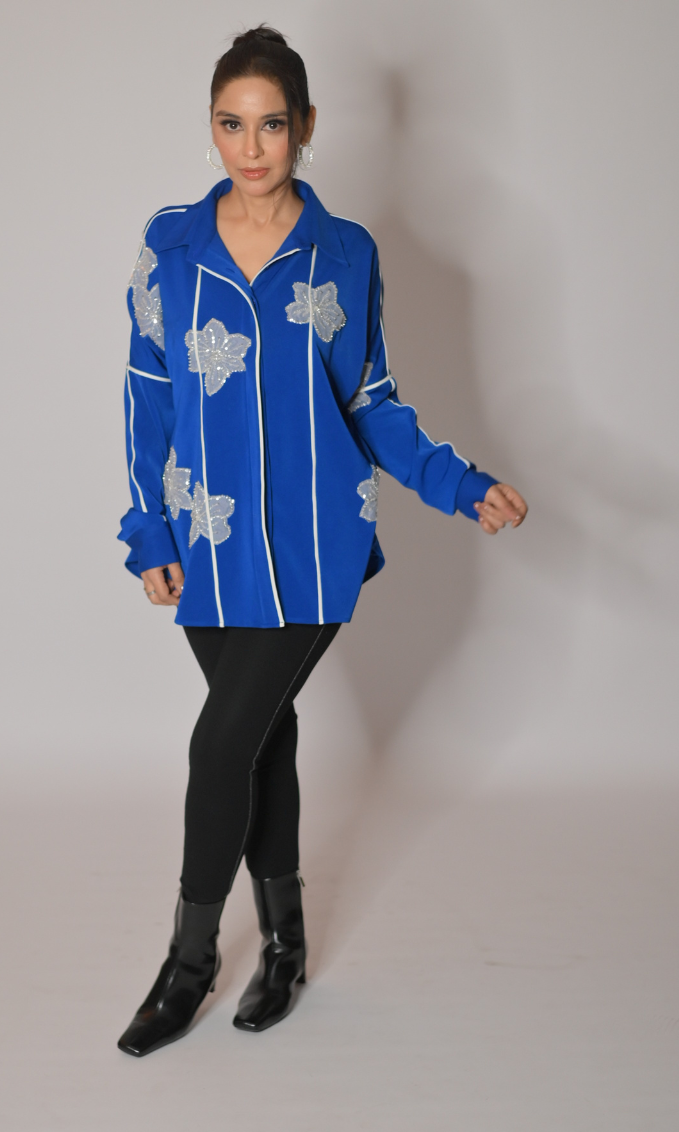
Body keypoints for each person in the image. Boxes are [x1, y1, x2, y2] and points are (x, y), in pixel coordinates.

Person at [116, 25, 528, 1058]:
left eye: (270, 125)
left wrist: (459, 483)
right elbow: (148, 394)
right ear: (212, 127)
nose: (250, 147)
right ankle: (286, 944)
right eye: (231, 124)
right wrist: (147, 527)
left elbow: (371, 401)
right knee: (266, 738)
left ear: (304, 126)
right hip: (207, 545)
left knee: (221, 743)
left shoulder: (345, 254)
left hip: (313, 547)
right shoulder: (170, 246)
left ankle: (188, 964)